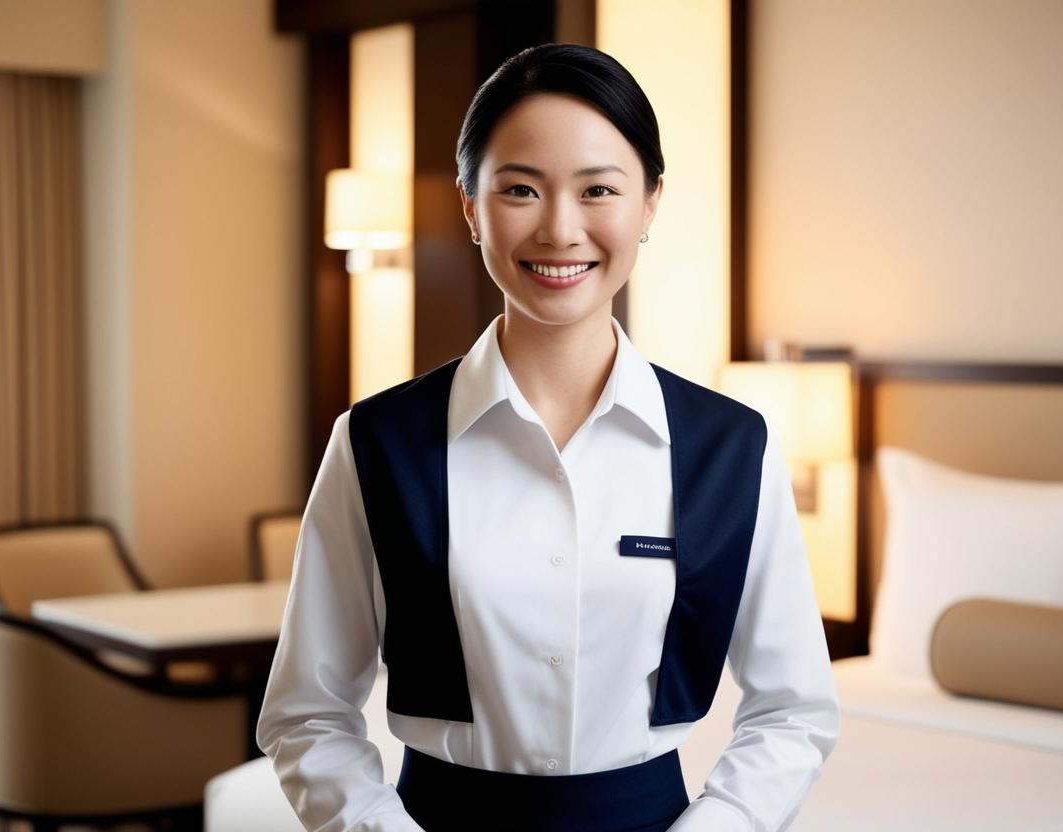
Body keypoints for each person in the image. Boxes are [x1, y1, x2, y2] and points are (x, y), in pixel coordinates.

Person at [256, 43, 839, 832]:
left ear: (650, 203)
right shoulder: (377, 444)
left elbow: (793, 708)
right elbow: (306, 712)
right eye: (521, 189)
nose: (561, 229)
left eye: (599, 189)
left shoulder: (731, 449)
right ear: (470, 206)